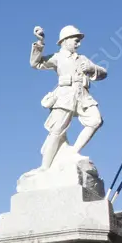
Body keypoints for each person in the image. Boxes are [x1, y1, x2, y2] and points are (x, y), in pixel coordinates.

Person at [30, 24, 107, 170]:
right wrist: (40, 42)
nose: (78, 43)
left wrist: (92, 69)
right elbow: (36, 63)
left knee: (96, 120)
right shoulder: (57, 57)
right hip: (65, 96)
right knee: (57, 130)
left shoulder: (82, 58)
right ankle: (44, 167)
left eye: (79, 40)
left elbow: (103, 73)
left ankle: (73, 152)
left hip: (83, 95)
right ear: (65, 41)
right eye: (75, 40)